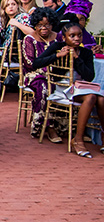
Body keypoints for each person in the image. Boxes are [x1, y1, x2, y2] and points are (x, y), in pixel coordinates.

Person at [33, 22, 100, 157]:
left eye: (79, 35)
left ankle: (102, 140)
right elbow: (37, 63)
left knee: (102, 100)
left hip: (81, 88)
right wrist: (57, 56)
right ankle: (78, 139)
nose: (76, 38)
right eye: (72, 36)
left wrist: (77, 58)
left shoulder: (85, 52)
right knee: (92, 97)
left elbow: (89, 77)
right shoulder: (57, 47)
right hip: (63, 89)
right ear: (64, 38)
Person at [21, 8, 64, 142]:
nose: (44, 28)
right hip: (34, 75)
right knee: (44, 87)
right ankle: (47, 126)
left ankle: (64, 126)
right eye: (40, 25)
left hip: (56, 74)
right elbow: (30, 63)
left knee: (65, 86)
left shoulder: (58, 37)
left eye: (47, 25)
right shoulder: (29, 39)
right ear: (35, 25)